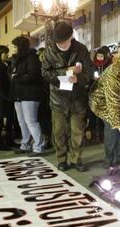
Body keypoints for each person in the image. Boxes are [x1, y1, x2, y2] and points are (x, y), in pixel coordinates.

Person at [42, 21, 94, 172]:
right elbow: (45, 73)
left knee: (77, 131)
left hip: (77, 98)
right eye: (59, 43)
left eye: (65, 42)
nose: (63, 45)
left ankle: (76, 159)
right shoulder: (49, 51)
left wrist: (79, 79)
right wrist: (65, 72)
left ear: (71, 37)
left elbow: (90, 72)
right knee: (59, 132)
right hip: (58, 98)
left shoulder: (81, 49)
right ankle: (61, 160)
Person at [10, 35, 44, 156]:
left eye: (14, 46)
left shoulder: (32, 58)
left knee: (31, 121)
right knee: (22, 122)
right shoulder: (17, 59)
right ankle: (25, 144)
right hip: (19, 95)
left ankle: (38, 146)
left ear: (20, 47)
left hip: (30, 95)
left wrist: (16, 78)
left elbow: (33, 76)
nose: (13, 49)